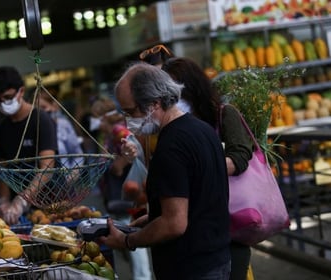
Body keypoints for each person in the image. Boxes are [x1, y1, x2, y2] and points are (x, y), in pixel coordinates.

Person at [100, 62, 231, 280]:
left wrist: (127, 241)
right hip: (216, 258)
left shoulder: (171, 146)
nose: (128, 121)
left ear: (154, 103)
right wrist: (154, 217)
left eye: (131, 112)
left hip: (190, 267)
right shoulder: (203, 130)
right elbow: (200, 199)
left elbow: (174, 224)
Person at [161, 57, 254, 280]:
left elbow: (241, 156)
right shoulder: (171, 124)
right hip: (195, 225)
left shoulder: (223, 113)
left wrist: (203, 169)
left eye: (174, 87)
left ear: (190, 85)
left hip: (229, 221)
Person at [91, 96, 153, 280]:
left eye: (95, 116)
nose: (92, 121)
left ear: (102, 117)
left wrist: (120, 163)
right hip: (119, 196)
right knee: (126, 237)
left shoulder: (118, 132)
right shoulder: (107, 136)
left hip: (128, 196)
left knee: (132, 239)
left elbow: (133, 149)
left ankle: (143, 278)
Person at [0, 66, 57, 225]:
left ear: (21, 91)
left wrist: (22, 199)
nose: (3, 103)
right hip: (17, 209)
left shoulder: (42, 120)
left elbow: (47, 169)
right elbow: (3, 168)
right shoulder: (2, 127)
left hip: (47, 202)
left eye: (8, 97)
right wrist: (4, 199)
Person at [37, 89, 83, 168]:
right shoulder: (33, 128)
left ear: (54, 106)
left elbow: (77, 155)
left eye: (43, 107)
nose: (41, 112)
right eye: (37, 109)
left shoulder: (63, 125)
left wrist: (73, 173)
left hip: (65, 177)